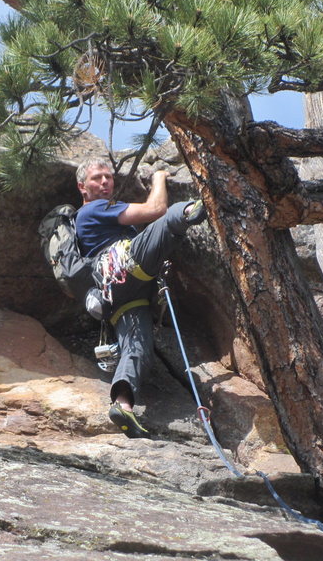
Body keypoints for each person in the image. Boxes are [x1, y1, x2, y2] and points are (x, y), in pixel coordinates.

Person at [74, 159, 206, 438]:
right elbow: (154, 210)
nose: (105, 182)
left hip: (120, 295)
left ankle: (122, 405)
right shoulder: (93, 210)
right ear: (82, 187)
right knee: (167, 217)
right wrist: (159, 177)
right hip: (123, 267)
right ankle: (194, 208)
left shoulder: (96, 217)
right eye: (97, 178)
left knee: (137, 349)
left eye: (108, 177)